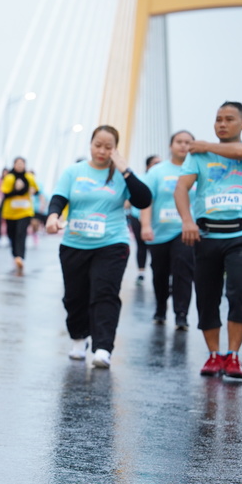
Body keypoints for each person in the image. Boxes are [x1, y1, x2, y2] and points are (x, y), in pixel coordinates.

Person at [45, 125, 151, 368]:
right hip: (74, 243)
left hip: (111, 244)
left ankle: (103, 348)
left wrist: (125, 170)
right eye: (98, 145)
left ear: (115, 149)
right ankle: (78, 339)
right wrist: (52, 217)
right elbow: (59, 198)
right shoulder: (74, 172)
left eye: (108, 147)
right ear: (90, 145)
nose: (102, 151)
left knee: (105, 293)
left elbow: (143, 199)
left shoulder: (122, 175)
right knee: (74, 296)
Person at [175, 102, 242, 380]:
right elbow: (181, 188)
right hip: (207, 236)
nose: (222, 124)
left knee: (238, 293)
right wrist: (187, 220)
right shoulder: (198, 156)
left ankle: (233, 356)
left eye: (229, 119)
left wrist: (206, 145)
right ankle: (213, 355)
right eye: (218, 119)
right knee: (207, 296)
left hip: (241, 237)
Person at [140, 132, 194, 330]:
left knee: (183, 271)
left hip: (185, 230)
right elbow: (146, 200)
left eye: (188, 142)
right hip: (159, 231)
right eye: (179, 142)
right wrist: (146, 225)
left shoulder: (196, 170)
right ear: (171, 146)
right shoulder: (157, 172)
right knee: (160, 273)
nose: (183, 145)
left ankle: (181, 314)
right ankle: (161, 307)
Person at [0, 156, 39, 275]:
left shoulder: (29, 177)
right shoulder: (9, 177)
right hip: (11, 213)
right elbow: (5, 193)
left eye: (22, 163)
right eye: (18, 163)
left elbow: (36, 190)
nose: (20, 165)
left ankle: (20, 257)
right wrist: (16, 189)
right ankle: (14, 254)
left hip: (25, 212)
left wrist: (32, 190)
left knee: (21, 233)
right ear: (14, 165)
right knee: (12, 234)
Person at [128, 154, 162, 283]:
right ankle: (141, 273)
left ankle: (160, 273)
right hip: (137, 217)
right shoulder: (139, 179)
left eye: (160, 163)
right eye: (155, 163)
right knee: (141, 246)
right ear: (148, 166)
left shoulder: (163, 179)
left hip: (156, 219)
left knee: (157, 248)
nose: (159, 166)